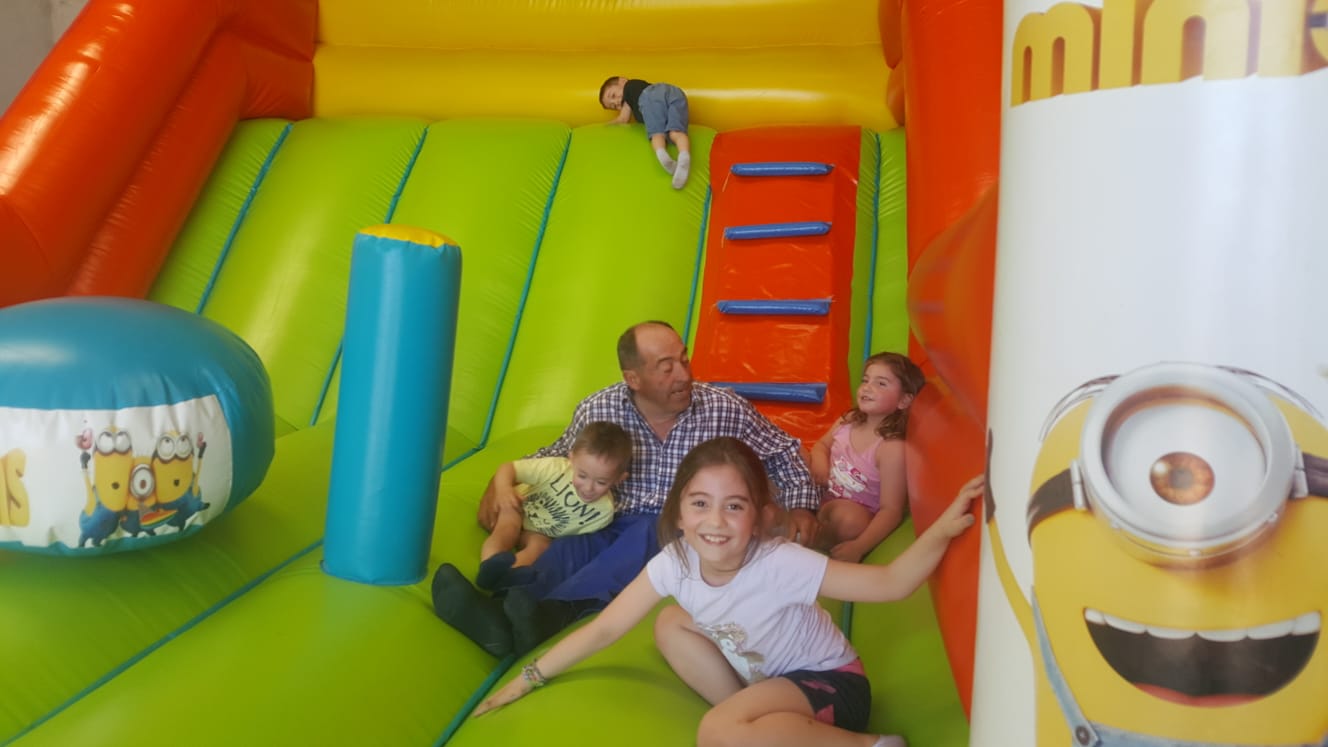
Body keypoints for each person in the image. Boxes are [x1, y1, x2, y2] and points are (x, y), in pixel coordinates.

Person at [471, 437, 982, 747]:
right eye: (699, 504)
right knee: (670, 622)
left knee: (714, 733)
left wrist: (941, 528)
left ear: (757, 517)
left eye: (733, 506)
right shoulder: (675, 563)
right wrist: (528, 679)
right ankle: (751, 722)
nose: (714, 522)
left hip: (831, 686)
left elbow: (892, 583)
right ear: (678, 512)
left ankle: (871, 743)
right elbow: (606, 627)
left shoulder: (780, 562)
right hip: (769, 680)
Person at [432, 320, 820, 657]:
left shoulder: (722, 408)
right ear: (633, 379)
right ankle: (502, 614)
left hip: (679, 529)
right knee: (572, 547)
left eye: (683, 360)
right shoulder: (599, 409)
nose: (683, 375)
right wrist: (504, 482)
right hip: (607, 517)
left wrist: (803, 506)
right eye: (666, 368)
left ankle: (550, 616)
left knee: (646, 532)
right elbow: (558, 456)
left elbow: (783, 452)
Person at [473, 421, 633, 592]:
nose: (588, 488)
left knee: (540, 547)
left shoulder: (602, 513)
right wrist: (504, 489)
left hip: (539, 532)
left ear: (619, 479)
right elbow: (508, 468)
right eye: (582, 476)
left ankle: (506, 577)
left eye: (601, 482)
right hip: (519, 506)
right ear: (572, 459)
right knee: (508, 528)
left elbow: (572, 539)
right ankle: (488, 567)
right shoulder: (555, 468)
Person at [808, 352, 925, 563]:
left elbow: (891, 510)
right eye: (865, 380)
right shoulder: (849, 420)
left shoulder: (891, 448)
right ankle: (795, 519)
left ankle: (808, 539)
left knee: (849, 520)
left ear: (904, 400)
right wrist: (820, 464)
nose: (867, 387)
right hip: (820, 492)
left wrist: (859, 547)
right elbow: (821, 446)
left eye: (881, 383)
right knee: (795, 453)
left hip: (850, 510)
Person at [599, 76, 693, 190]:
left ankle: (663, 156)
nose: (617, 102)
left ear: (622, 81)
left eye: (613, 95)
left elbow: (623, 119)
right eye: (614, 106)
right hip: (675, 93)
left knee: (658, 134)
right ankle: (684, 155)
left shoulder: (628, 90)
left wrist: (603, 127)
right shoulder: (640, 87)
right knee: (676, 132)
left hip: (651, 96)